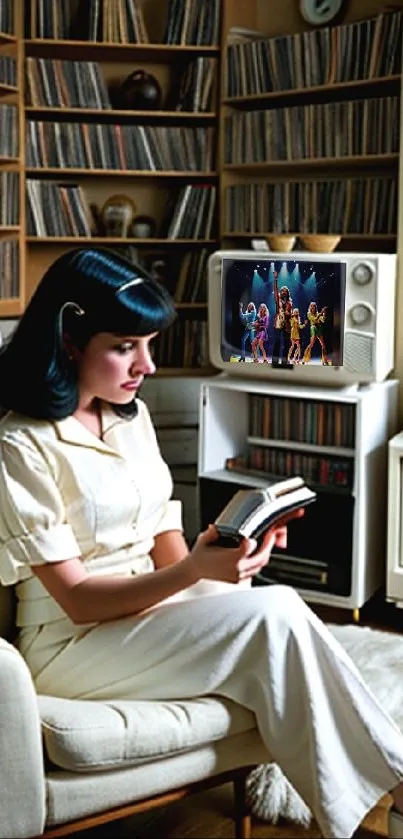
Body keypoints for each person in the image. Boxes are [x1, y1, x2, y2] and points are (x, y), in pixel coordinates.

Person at [0, 247, 403, 839]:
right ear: (69, 340)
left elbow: (169, 549)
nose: (148, 365)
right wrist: (192, 575)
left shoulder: (130, 417)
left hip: (149, 613)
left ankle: (378, 800)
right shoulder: (21, 444)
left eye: (149, 345)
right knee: (276, 615)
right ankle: (396, 791)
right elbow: (79, 601)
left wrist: (226, 563)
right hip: (73, 647)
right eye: (124, 347)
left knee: (275, 604)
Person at [272, 271, 292, 365]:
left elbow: (289, 314)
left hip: (287, 325)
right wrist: (275, 279)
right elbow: (275, 290)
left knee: (286, 345)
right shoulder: (278, 299)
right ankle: (275, 362)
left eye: (285, 291)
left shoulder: (289, 303)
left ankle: (284, 362)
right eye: (282, 291)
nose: (284, 292)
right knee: (277, 343)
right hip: (278, 323)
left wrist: (288, 312)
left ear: (287, 293)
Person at [301, 301, 330, 365]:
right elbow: (314, 320)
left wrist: (324, 313)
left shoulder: (317, 313)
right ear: (310, 307)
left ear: (315, 307)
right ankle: (304, 359)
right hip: (313, 328)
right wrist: (321, 313)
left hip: (319, 328)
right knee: (311, 344)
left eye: (314, 306)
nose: (313, 307)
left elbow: (323, 320)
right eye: (312, 305)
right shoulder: (308, 313)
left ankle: (324, 360)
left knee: (323, 345)